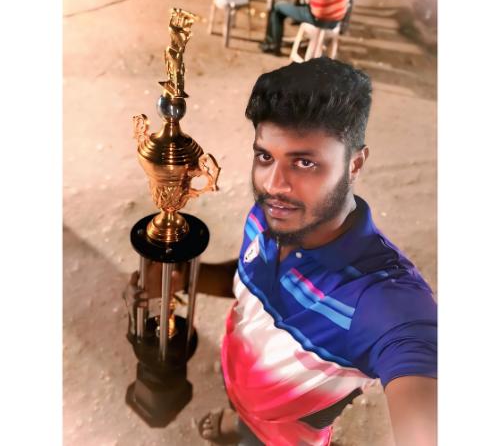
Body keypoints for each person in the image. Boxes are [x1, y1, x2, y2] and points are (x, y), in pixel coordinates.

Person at [129, 57, 437, 445]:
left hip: (287, 436)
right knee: (242, 409)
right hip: (240, 382)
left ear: (354, 163)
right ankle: (238, 419)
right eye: (265, 156)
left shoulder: (381, 300)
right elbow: (250, 281)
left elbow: (420, 386)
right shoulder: (271, 217)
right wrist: (183, 278)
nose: (274, 185)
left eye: (304, 162)